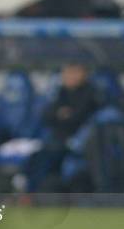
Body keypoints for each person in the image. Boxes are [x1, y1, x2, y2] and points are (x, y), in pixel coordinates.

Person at [25, 63, 98, 191]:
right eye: (65, 72)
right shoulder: (61, 92)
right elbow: (46, 115)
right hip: (57, 139)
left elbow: (77, 117)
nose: (67, 76)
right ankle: (30, 193)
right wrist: (61, 114)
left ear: (82, 73)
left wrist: (62, 115)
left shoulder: (91, 93)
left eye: (72, 72)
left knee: (46, 158)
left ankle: (35, 195)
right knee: (36, 157)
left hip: (78, 141)